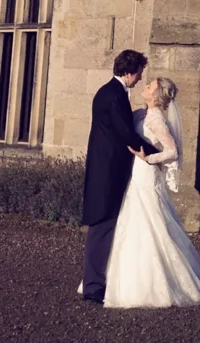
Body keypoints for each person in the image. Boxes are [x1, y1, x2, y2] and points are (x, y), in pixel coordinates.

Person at [104, 76, 200, 309]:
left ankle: (158, 284)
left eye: (150, 87)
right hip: (135, 175)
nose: (145, 87)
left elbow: (172, 151)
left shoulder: (157, 118)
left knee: (149, 223)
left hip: (146, 176)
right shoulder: (142, 113)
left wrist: (148, 158)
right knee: (134, 223)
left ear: (156, 97)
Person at [79, 49, 150, 305]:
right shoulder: (114, 95)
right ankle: (93, 286)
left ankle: (97, 281)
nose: (141, 78)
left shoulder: (110, 92)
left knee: (105, 227)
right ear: (129, 72)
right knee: (102, 226)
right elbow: (125, 134)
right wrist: (155, 153)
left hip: (105, 170)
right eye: (140, 72)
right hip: (107, 173)